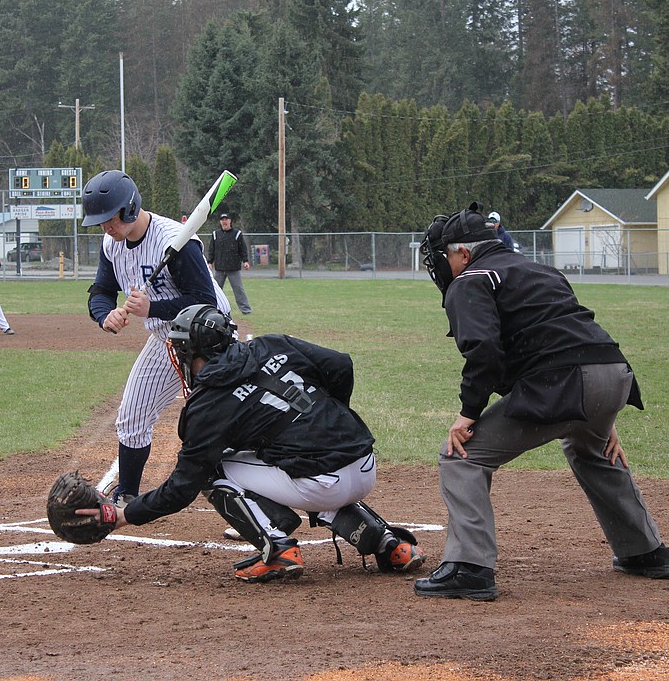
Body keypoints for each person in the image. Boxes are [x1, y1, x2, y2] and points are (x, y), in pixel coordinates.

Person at [413, 202, 669, 601]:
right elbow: (565, 332)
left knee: (462, 456)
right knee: (592, 449)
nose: (443, 265)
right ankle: (646, 552)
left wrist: (467, 414)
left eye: (445, 255)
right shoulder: (538, 268)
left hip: (567, 381)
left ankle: (469, 567)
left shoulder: (471, 281)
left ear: (463, 252)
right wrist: (600, 413)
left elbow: (483, 351)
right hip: (613, 373)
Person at [84, 304, 426, 583]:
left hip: (321, 483)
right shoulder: (271, 344)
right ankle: (389, 544)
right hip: (364, 462)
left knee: (213, 469)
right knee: (290, 454)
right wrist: (330, 419)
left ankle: (277, 548)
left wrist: (125, 515)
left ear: (192, 353)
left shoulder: (206, 405)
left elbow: (182, 487)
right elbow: (340, 364)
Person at [81, 170, 230, 506]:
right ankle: (126, 497)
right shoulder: (112, 245)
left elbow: (203, 298)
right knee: (132, 416)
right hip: (166, 336)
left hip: (209, 333)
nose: (106, 227)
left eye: (111, 218)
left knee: (218, 422)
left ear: (130, 208)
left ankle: (254, 504)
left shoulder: (174, 241)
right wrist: (105, 315)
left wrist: (152, 307)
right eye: (100, 221)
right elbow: (102, 289)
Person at [206, 213, 252, 315]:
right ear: (220, 222)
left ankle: (246, 310)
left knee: (239, 290)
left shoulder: (237, 234)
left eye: (226, 219)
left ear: (230, 221)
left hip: (234, 268)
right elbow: (211, 250)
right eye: (222, 219)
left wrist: (245, 261)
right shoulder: (215, 234)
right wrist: (210, 262)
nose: (224, 221)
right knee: (215, 290)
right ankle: (212, 309)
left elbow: (243, 249)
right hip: (219, 268)